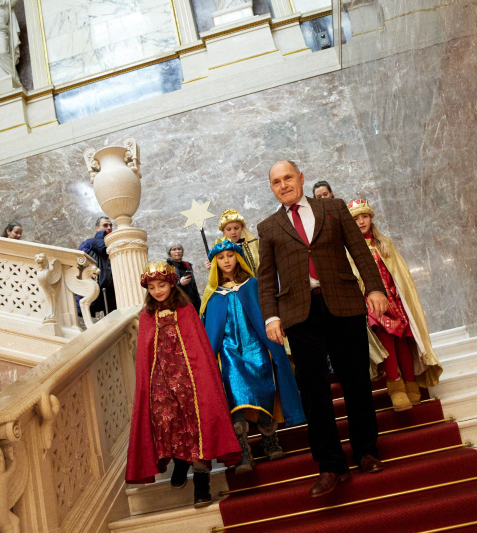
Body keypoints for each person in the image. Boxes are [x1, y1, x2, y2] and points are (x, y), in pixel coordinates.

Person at [257, 160, 389, 498]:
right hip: (299, 315)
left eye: (288, 177)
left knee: (356, 381)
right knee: (315, 394)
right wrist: (271, 317)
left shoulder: (333, 207)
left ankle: (366, 452)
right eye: (276, 182)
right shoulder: (268, 227)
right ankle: (331, 465)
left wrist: (374, 288)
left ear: (300, 178)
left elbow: (359, 251)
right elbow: (266, 278)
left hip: (343, 302)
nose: (283, 185)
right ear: (271, 188)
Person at [126, 261, 240, 507]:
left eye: (162, 285)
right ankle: (179, 461)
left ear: (171, 284)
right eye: (153, 287)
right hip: (161, 382)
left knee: (196, 425)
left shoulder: (186, 311)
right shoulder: (147, 316)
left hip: (190, 380)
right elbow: (145, 355)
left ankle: (201, 485)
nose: (157, 290)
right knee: (167, 423)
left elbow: (198, 347)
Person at [200, 241, 305, 474]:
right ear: (214, 263)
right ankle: (242, 449)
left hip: (257, 347)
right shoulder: (213, 295)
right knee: (235, 395)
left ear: (238, 257)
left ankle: (269, 438)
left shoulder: (254, 285)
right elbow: (210, 328)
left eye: (230, 255)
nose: (226, 260)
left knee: (265, 389)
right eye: (221, 257)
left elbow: (266, 313)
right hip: (229, 353)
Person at [347, 200, 442, 411]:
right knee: (386, 343)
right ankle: (396, 388)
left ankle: (411, 384)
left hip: (395, 302)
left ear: (371, 218)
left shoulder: (384, 244)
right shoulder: (350, 251)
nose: (361, 221)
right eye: (355, 219)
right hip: (373, 305)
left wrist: (401, 297)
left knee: (403, 343)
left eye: (364, 216)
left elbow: (400, 275)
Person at [79, 216, 117, 315]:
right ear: (97, 228)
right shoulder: (90, 243)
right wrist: (101, 235)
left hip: (114, 287)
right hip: (100, 285)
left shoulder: (114, 243)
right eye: (105, 225)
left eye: (110, 225)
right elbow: (101, 249)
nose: (109, 228)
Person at [214, 209, 260, 276]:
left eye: (236, 228)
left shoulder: (253, 243)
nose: (233, 232)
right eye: (229, 229)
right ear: (224, 231)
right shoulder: (220, 249)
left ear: (241, 228)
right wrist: (212, 266)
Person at [166, 242, 202, 311]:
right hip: (178, 302)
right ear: (169, 252)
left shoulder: (188, 265)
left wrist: (199, 303)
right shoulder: (167, 267)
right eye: (174, 249)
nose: (177, 251)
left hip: (192, 300)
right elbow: (167, 288)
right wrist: (180, 283)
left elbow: (193, 286)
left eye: (179, 249)